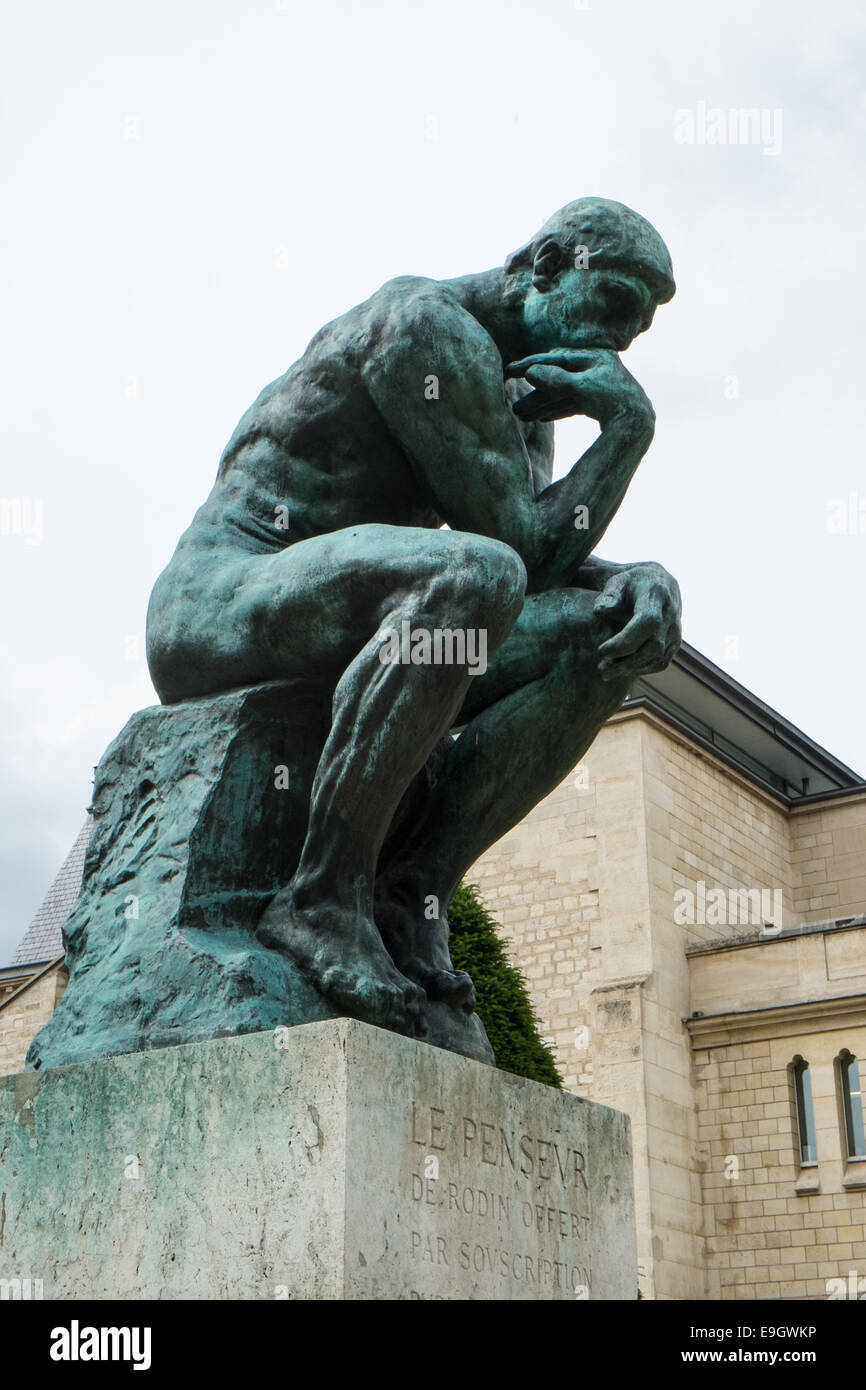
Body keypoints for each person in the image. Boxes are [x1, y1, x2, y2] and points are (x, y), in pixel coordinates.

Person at [146, 197, 681, 1036]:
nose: (619, 342)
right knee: (477, 575)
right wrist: (627, 432)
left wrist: (636, 578)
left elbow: (538, 557)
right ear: (544, 266)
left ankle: (409, 893)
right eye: (611, 304)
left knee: (604, 629)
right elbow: (511, 553)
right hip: (223, 603)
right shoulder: (425, 327)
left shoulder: (519, 398)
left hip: (360, 609)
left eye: (636, 330)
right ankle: (322, 898)